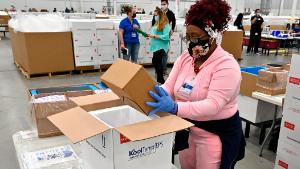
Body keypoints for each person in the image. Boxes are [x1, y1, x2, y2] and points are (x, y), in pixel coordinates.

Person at [146, 0, 245, 169]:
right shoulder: (186, 58)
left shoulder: (226, 65)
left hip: (214, 134)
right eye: (188, 37)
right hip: (186, 130)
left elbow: (213, 105)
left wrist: (175, 108)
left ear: (213, 35)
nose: (192, 43)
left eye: (196, 37)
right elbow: (169, 86)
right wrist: (153, 93)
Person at [152, 0, 176, 75]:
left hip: (165, 36)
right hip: (157, 36)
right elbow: (153, 22)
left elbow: (174, 21)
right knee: (156, 53)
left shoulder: (170, 13)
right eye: (162, 4)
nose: (163, 5)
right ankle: (157, 70)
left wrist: (172, 29)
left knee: (165, 53)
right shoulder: (158, 12)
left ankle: (164, 70)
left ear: (167, 4)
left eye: (164, 4)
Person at [148, 7, 171, 84]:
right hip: (155, 46)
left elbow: (166, 37)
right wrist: (149, 35)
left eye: (156, 15)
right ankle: (160, 80)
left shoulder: (166, 25)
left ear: (160, 15)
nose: (155, 16)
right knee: (156, 62)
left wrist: (154, 36)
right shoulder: (156, 24)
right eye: (154, 15)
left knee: (156, 61)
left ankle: (161, 80)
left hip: (161, 46)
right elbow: (154, 33)